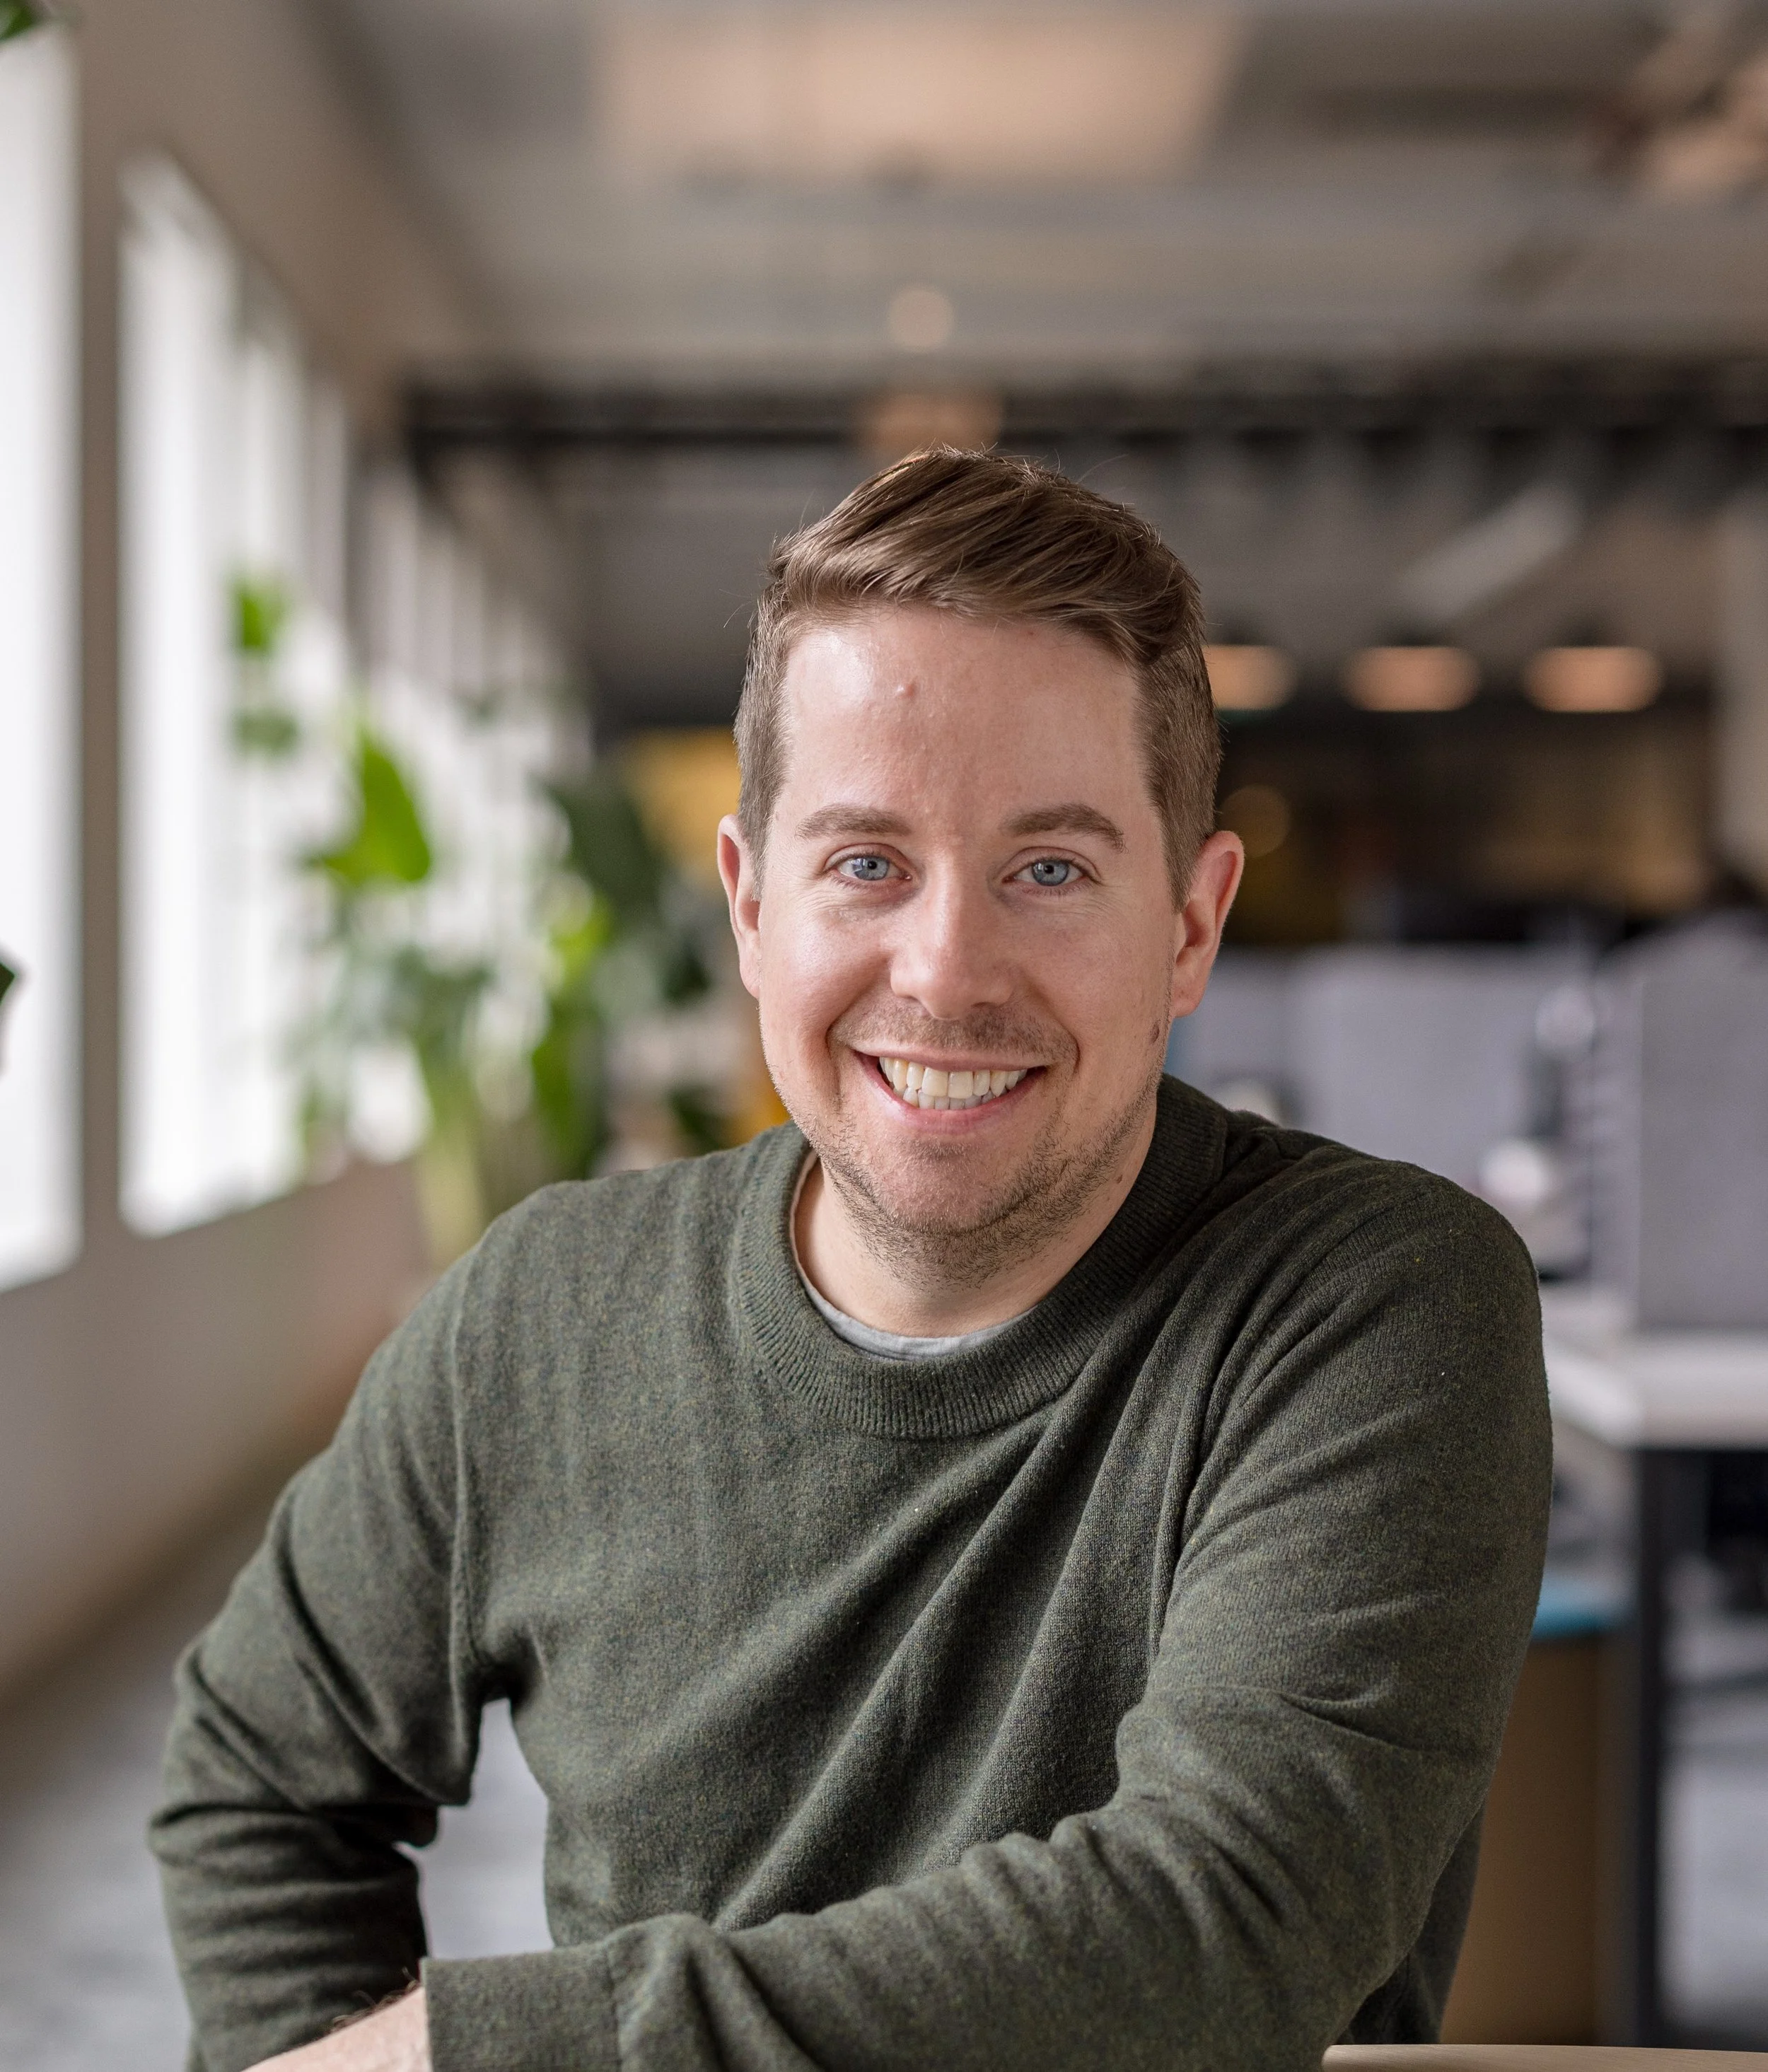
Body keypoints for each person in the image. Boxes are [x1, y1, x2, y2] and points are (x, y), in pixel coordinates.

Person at [151, 448, 1551, 2072]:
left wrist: (464, 2057)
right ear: (751, 906)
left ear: (1187, 924)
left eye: (1048, 869)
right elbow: (258, 1779)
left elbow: (1219, 1921)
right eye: (866, 863)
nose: (945, 971)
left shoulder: (1373, 1303)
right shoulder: (540, 1313)